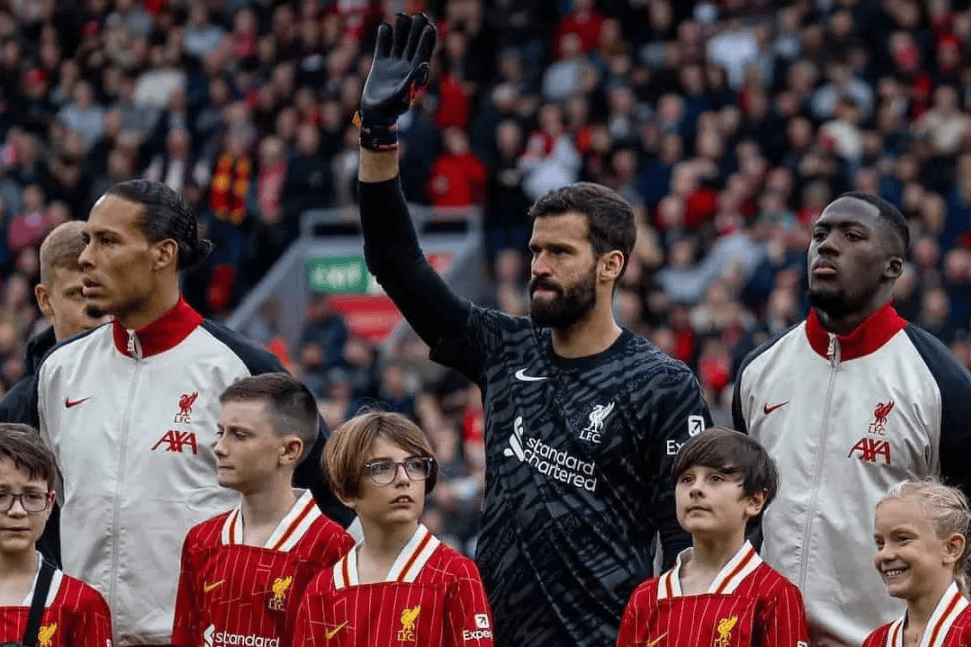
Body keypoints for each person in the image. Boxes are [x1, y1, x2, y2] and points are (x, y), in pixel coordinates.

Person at [355, 14, 712, 646]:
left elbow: (692, 541)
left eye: (559, 253)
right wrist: (378, 137)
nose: (538, 266)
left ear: (610, 265)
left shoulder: (662, 384)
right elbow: (396, 264)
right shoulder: (503, 345)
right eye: (535, 250)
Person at [25, 179, 347, 647]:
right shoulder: (58, 370)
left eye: (108, 241)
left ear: (163, 254)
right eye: (88, 240)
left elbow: (336, 499)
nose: (87, 258)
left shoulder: (239, 368)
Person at [732, 192, 971, 647]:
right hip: (768, 636)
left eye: (852, 235)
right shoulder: (758, 371)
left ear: (892, 268)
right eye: (820, 234)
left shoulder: (941, 384)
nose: (827, 245)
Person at [172, 373, 354, 647]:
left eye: (240, 435)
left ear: (289, 450)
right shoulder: (201, 541)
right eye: (221, 433)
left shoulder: (331, 547)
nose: (219, 448)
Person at [293, 410, 494, 646]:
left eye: (415, 465)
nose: (404, 479)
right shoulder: (322, 590)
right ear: (346, 492)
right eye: (382, 467)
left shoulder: (456, 575)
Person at [615, 427, 809, 647]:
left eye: (715, 478)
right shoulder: (645, 598)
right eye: (686, 479)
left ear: (754, 500)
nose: (696, 489)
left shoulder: (774, 594)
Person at [0, 221, 111, 566]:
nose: (94, 310)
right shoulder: (17, 412)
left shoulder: (159, 390)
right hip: (50, 591)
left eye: (104, 292)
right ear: (45, 301)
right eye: (79, 294)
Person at [0, 423, 113, 647]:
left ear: (50, 503)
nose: (17, 510)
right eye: (1, 495)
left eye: (32, 496)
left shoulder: (80, 603)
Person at [863, 479, 971, 647]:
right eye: (880, 543)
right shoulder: (876, 641)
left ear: (951, 548)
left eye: (902, 539)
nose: (884, 554)